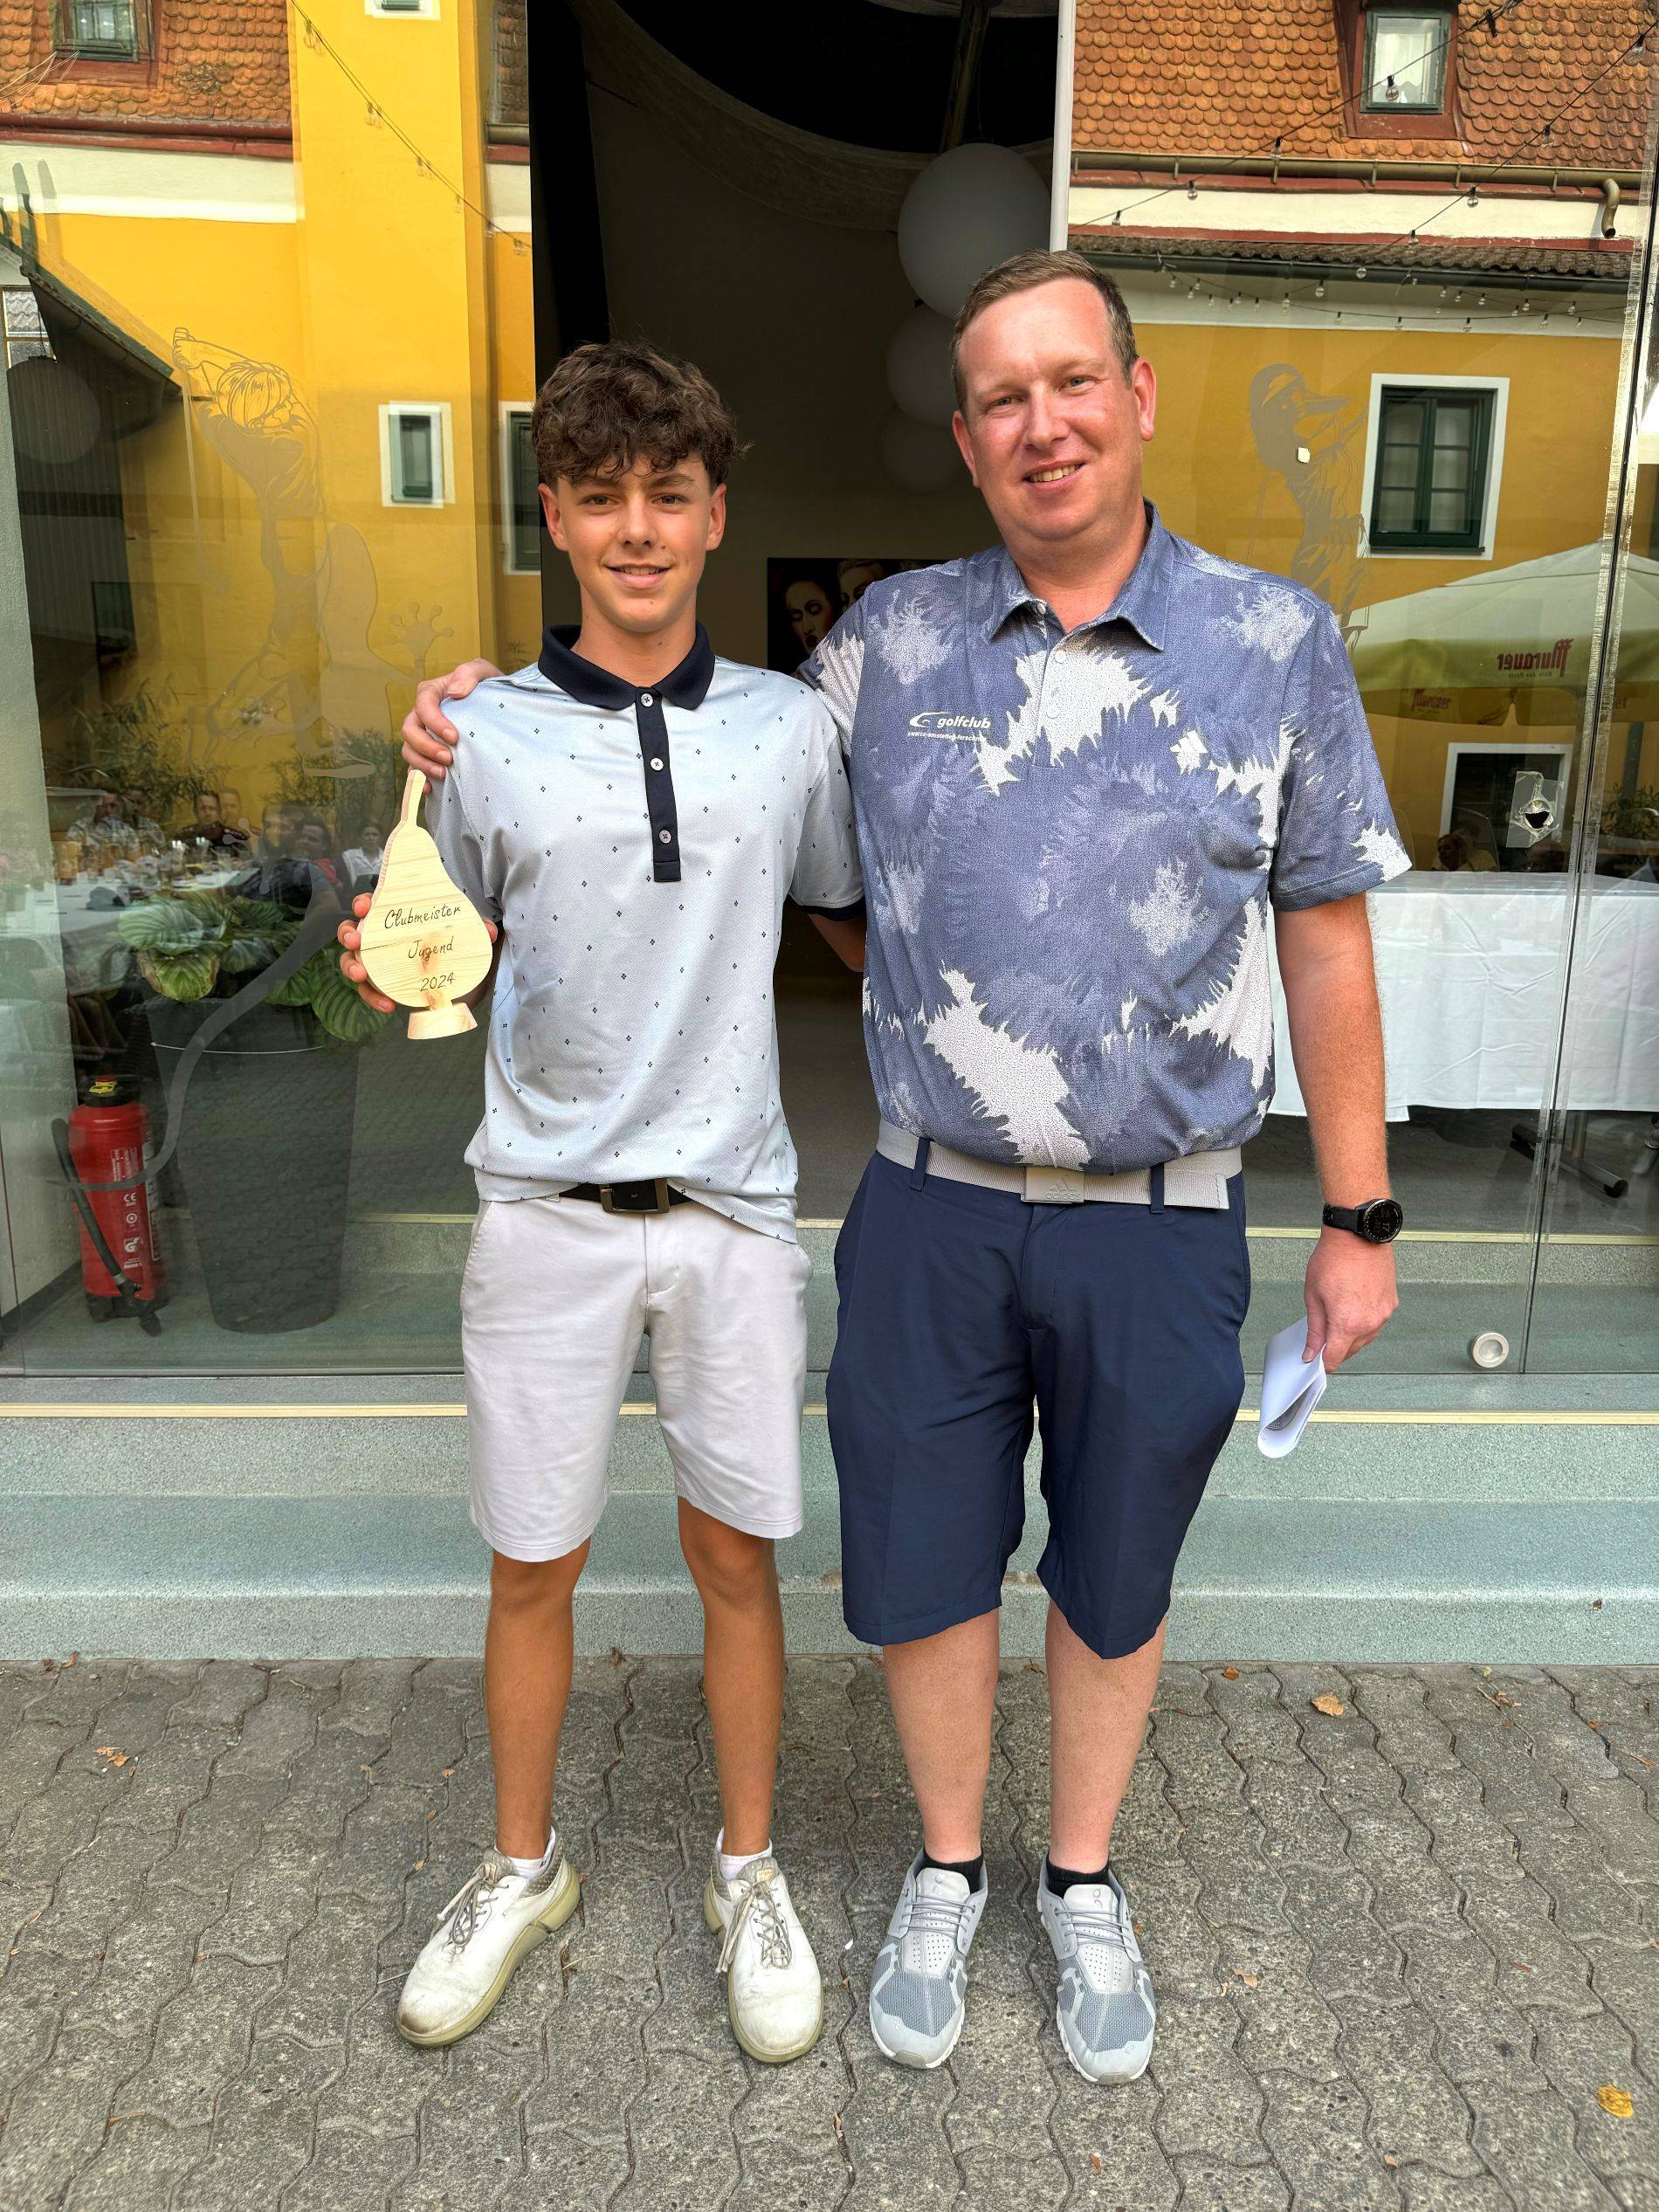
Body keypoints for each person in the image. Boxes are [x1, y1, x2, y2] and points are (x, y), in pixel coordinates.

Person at [399, 251, 1406, 2088]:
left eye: (1071, 382)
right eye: (1002, 397)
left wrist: (1359, 1213)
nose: (1043, 424)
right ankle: (945, 1869)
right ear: (963, 437)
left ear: (1136, 394)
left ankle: (1078, 1878)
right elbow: (793, 859)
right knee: (930, 1560)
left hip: (1163, 1215)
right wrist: (466, 714)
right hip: (931, 1204)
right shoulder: (878, 649)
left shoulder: (1274, 644)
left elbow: (1326, 933)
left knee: (1114, 1569)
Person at [335, 340, 864, 2060]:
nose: (637, 527)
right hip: (544, 1210)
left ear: (715, 515)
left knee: (736, 1557)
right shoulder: (477, 736)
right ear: (554, 516)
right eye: (599, 494)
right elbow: (435, 951)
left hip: (730, 1211)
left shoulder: (792, 731)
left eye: (668, 494)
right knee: (530, 1563)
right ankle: (522, 1866)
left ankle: (747, 1870)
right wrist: (386, 958)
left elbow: (855, 918)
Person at [176, 789, 249, 856]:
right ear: (195, 812)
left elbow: (248, 862)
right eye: (203, 809)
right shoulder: (184, 837)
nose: (207, 813)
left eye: (211, 809)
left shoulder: (236, 838)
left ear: (219, 811)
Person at [341, 820, 384, 891]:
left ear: (381, 838)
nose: (371, 838)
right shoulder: (349, 856)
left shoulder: (389, 857)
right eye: (367, 834)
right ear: (360, 837)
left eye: (375, 835)